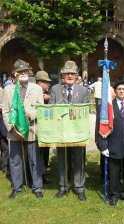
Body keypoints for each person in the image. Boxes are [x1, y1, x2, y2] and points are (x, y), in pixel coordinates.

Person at [2, 59, 44, 199]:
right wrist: (12, 129)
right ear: (15, 74)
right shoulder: (8, 90)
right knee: (15, 160)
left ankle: (37, 187)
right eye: (19, 71)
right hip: (15, 131)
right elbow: (6, 112)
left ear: (29, 72)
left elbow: (41, 109)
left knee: (34, 159)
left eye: (25, 71)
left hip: (31, 129)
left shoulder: (37, 88)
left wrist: (29, 115)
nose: (23, 73)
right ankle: (16, 187)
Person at [49, 60, 89, 201]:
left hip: (78, 132)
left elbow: (85, 110)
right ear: (62, 75)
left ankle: (79, 188)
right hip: (61, 132)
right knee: (62, 159)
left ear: (76, 76)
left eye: (72, 74)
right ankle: (63, 186)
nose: (70, 76)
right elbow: (51, 108)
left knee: (79, 160)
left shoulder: (83, 90)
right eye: (67, 74)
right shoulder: (55, 89)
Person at [35, 71, 51, 184]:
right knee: (36, 152)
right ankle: (37, 173)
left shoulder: (48, 94)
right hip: (36, 127)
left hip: (46, 128)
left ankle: (43, 172)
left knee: (45, 151)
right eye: (46, 82)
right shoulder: (33, 93)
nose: (48, 85)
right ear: (40, 83)